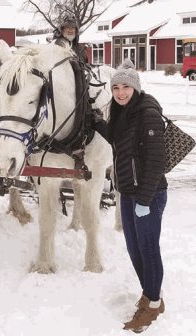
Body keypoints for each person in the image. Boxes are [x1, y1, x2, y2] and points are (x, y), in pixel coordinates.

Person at [92, 59, 168, 333]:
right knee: (135, 249)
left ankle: (153, 304)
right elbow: (115, 139)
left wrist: (145, 200)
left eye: (125, 87)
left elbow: (157, 161)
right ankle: (149, 295)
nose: (120, 92)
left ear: (135, 87)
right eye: (116, 88)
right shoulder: (122, 111)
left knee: (148, 249)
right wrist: (95, 121)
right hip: (127, 192)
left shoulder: (147, 112)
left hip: (149, 194)